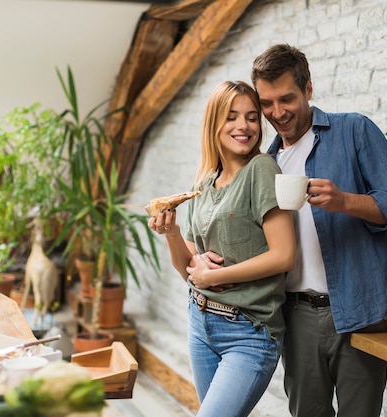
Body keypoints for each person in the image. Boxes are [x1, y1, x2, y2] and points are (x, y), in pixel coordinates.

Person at [249, 44, 387, 417]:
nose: (277, 113)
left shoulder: (354, 130)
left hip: (362, 308)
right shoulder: (266, 161)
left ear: (308, 88)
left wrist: (345, 201)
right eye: (266, 103)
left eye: (287, 99)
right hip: (296, 316)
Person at [147, 80, 296, 417]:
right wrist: (172, 233)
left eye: (251, 117)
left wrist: (217, 276)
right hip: (200, 323)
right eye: (231, 117)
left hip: (249, 332)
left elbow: (285, 254)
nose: (243, 126)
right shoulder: (204, 181)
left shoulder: (262, 169)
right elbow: (189, 267)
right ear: (214, 123)